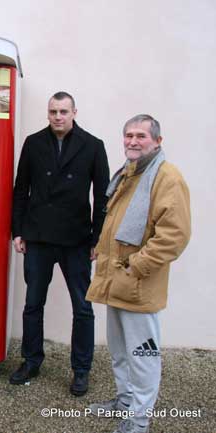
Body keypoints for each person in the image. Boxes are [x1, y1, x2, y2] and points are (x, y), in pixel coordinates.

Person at [86, 115, 191, 433]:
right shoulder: (130, 173)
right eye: (129, 135)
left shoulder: (166, 177)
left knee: (143, 357)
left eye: (141, 136)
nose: (133, 141)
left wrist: (136, 267)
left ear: (157, 141)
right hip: (117, 282)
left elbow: (174, 235)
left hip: (137, 285)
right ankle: (125, 402)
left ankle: (138, 421)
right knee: (119, 352)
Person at [10, 91, 110, 396]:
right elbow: (20, 190)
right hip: (38, 237)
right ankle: (31, 360)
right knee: (32, 304)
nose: (57, 116)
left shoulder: (93, 146)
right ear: (48, 112)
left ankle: (81, 370)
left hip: (76, 240)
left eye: (63, 111)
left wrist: (98, 239)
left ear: (74, 112)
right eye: (53, 111)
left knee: (83, 307)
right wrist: (18, 231)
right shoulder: (33, 143)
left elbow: (102, 198)